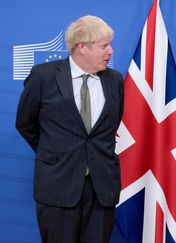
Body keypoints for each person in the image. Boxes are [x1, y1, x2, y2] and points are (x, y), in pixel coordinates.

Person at [16, 15, 124, 243]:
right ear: (82, 47)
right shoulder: (43, 76)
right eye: (104, 46)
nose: (111, 51)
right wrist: (55, 153)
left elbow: (109, 128)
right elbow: (25, 124)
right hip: (57, 186)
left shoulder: (115, 80)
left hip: (101, 189)